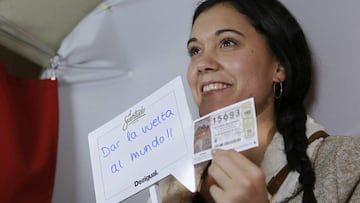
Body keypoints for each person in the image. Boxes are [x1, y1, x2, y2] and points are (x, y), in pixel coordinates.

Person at [154, 0, 360, 202]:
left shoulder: (345, 162)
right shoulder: (170, 189)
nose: (202, 64)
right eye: (195, 51)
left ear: (279, 66)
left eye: (227, 42)